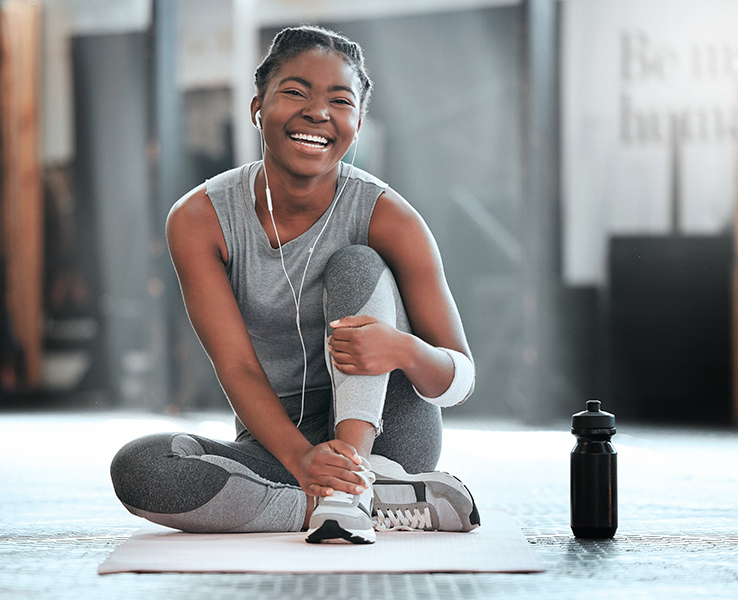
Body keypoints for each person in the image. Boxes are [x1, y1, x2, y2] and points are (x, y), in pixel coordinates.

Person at [111, 25, 479, 544]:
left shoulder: (390, 217)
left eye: (340, 100)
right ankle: (365, 503)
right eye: (296, 92)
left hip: (386, 440)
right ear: (258, 107)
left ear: (357, 121)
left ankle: (349, 492)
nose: (317, 112)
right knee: (141, 468)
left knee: (355, 264)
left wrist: (403, 349)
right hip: (278, 445)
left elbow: (458, 379)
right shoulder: (200, 219)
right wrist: (302, 459)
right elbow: (235, 364)